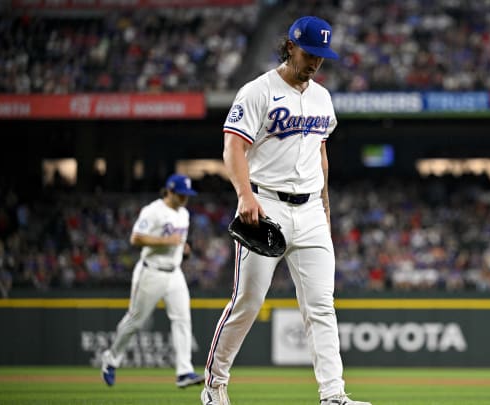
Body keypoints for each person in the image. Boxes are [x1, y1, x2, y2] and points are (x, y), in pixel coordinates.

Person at [200, 16, 371, 405]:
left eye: (322, 57)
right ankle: (214, 383)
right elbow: (233, 147)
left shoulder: (322, 98)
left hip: (310, 209)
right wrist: (245, 195)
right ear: (290, 45)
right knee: (247, 302)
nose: (315, 63)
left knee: (322, 307)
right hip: (266, 204)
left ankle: (333, 395)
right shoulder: (258, 91)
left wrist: (325, 204)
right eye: (310, 54)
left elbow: (320, 151)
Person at [101, 173, 204, 389]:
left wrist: (182, 248)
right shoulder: (153, 210)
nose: (186, 199)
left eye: (187, 195)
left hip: (175, 272)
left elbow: (177, 241)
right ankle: (111, 359)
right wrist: (167, 241)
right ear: (170, 191)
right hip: (151, 272)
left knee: (183, 319)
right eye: (182, 194)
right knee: (135, 321)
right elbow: (135, 238)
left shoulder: (184, 214)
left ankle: (184, 371)